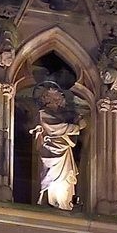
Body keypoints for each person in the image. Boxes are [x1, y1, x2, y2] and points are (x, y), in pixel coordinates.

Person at [33, 83, 82, 211]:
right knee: (52, 179)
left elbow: (68, 135)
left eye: (58, 98)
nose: (57, 101)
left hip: (64, 152)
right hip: (51, 153)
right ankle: (52, 202)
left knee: (65, 182)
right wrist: (76, 127)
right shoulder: (43, 114)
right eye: (53, 98)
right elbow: (56, 129)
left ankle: (64, 204)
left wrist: (75, 123)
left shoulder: (62, 116)